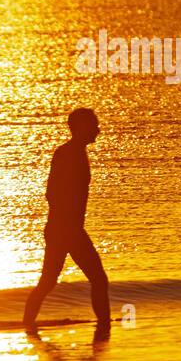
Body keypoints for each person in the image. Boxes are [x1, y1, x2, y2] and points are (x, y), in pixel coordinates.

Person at [22, 108, 110, 336]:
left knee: (49, 281)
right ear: (81, 128)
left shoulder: (78, 153)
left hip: (67, 229)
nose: (98, 130)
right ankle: (104, 325)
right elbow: (51, 193)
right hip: (65, 230)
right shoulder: (67, 154)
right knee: (97, 279)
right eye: (94, 125)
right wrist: (67, 227)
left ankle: (28, 325)